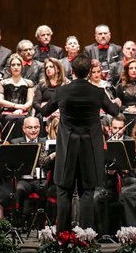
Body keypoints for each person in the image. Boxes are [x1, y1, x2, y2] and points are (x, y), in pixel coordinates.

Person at [40, 54, 119, 232]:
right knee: (86, 193)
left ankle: (62, 236)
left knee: (64, 192)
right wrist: (116, 102)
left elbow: (45, 111)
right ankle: (85, 237)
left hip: (67, 148)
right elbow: (114, 111)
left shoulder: (61, 91)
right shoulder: (98, 92)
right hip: (89, 149)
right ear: (89, 72)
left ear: (72, 71)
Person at [0, 54, 35, 136]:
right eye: (13, 65)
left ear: (22, 66)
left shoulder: (29, 83)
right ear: (10, 67)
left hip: (23, 111)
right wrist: (16, 106)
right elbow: (0, 100)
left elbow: (30, 101)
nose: (16, 67)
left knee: (21, 119)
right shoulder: (3, 82)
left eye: (18, 64)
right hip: (6, 112)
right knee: (10, 118)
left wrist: (21, 109)